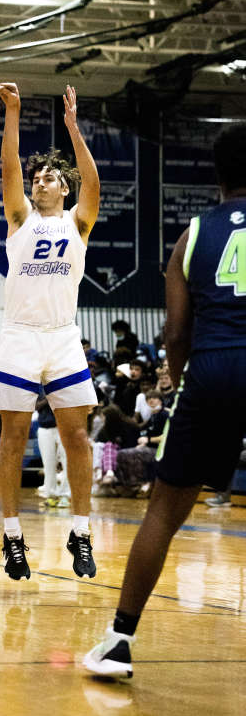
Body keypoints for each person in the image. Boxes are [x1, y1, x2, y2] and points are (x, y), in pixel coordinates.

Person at [84, 121, 246, 678]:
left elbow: (176, 333)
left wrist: (180, 383)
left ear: (217, 176)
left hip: (211, 368)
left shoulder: (193, 235)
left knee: (164, 511)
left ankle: (119, 641)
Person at [0, 82, 100, 581]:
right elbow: (9, 167)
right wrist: (12, 112)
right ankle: (13, 538)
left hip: (62, 336)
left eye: (50, 178)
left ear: (64, 189)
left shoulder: (78, 223)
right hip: (20, 336)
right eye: (37, 178)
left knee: (78, 438)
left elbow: (93, 182)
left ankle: (81, 531)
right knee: (13, 439)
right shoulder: (20, 220)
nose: (39, 182)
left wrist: (73, 128)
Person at [114, 390, 168, 497]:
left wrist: (148, 440)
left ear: (160, 400)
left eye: (154, 398)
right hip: (151, 448)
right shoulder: (152, 417)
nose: (151, 400)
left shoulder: (164, 415)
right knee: (121, 454)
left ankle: (140, 484)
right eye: (148, 399)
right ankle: (131, 485)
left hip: (162, 451)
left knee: (129, 454)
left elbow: (167, 436)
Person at [35, 391, 70, 508]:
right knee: (48, 463)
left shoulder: (65, 383)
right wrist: (47, 399)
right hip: (44, 427)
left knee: (67, 462)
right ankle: (51, 496)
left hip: (64, 426)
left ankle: (65, 495)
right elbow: (33, 406)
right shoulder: (37, 385)